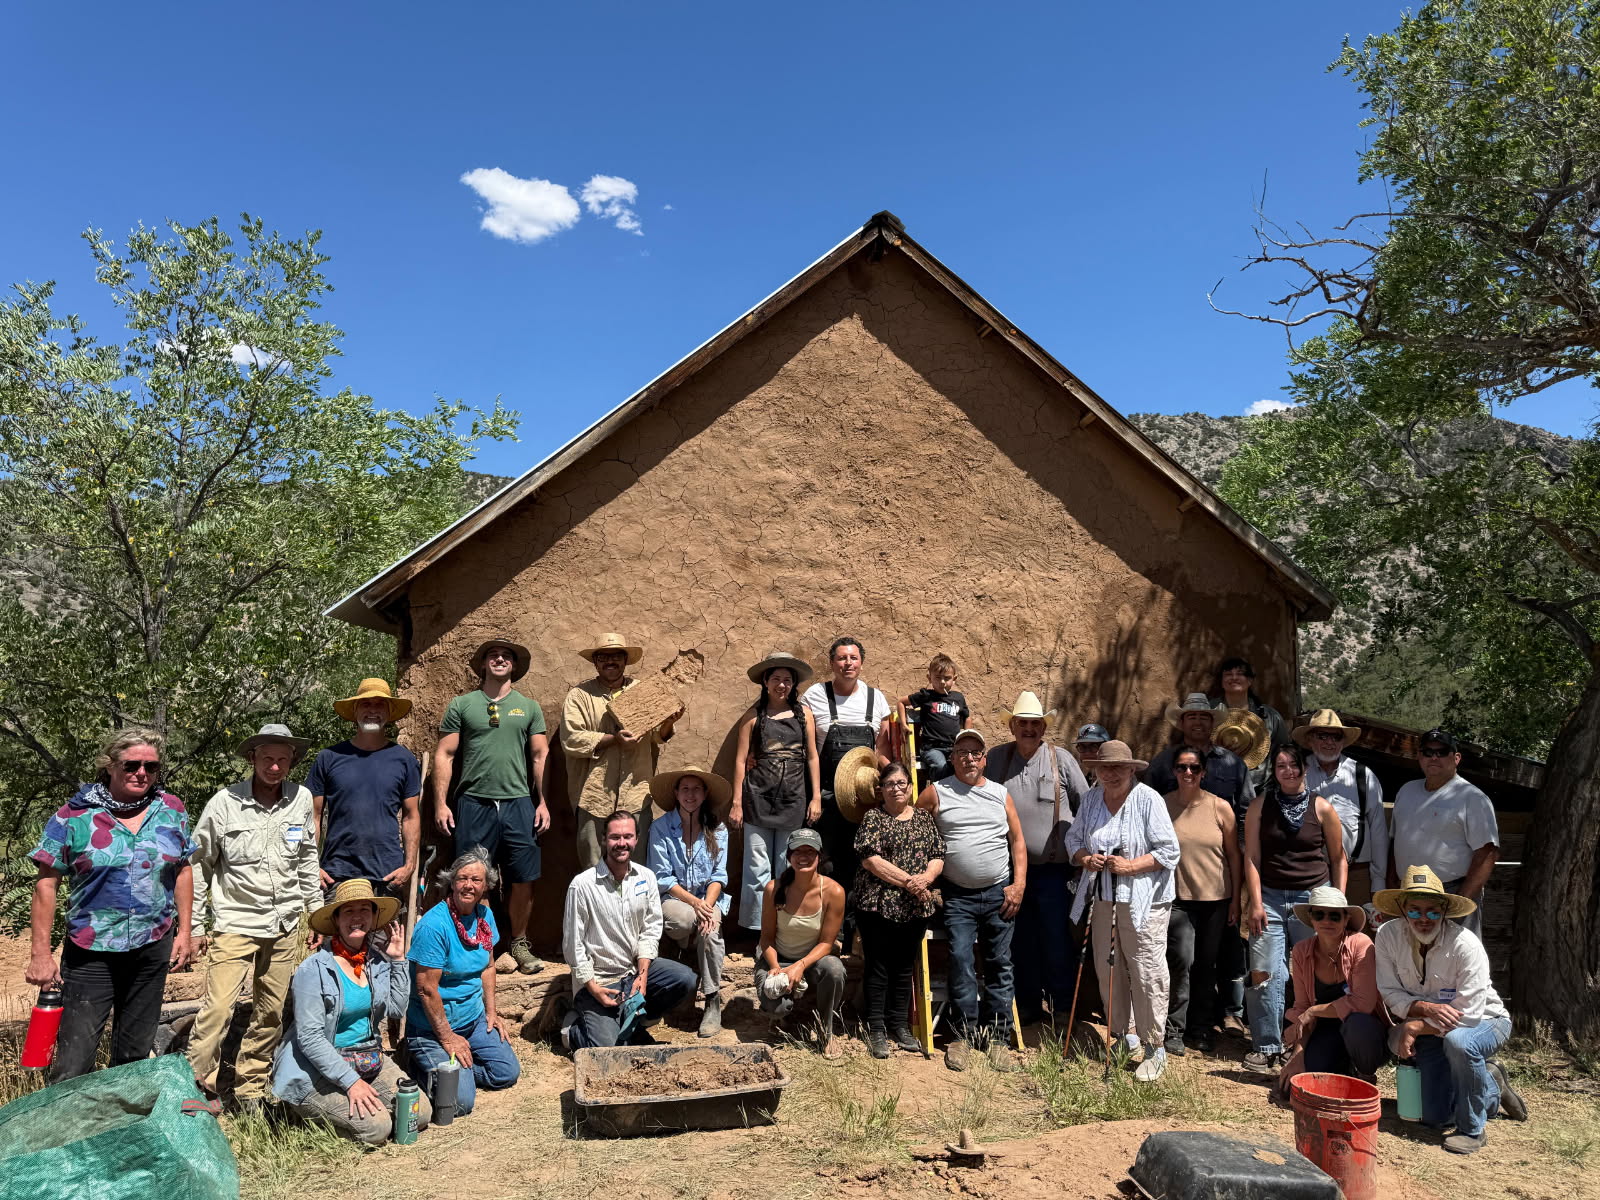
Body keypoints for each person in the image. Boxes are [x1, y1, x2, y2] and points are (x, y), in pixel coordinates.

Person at [25, 728, 197, 1083]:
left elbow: (182, 869)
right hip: (92, 950)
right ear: (110, 766)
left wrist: (186, 931)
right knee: (75, 1058)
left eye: (151, 767)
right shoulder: (73, 816)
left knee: (135, 1052)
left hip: (152, 945)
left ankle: (120, 1129)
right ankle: (69, 1132)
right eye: (131, 764)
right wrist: (40, 954)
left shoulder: (170, 809)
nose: (142, 773)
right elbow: (46, 883)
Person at [188, 724, 321, 1105]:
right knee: (217, 1009)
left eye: (282, 760)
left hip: (285, 923)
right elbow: (199, 865)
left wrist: (314, 911)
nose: (275, 767)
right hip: (235, 921)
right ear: (253, 759)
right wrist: (196, 925)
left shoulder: (301, 799)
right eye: (267, 759)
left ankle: (250, 1088)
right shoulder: (224, 803)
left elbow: (307, 859)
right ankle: (198, 1090)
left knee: (271, 1011)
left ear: (292, 761)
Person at [1375, 866, 1526, 1155]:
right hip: (1433, 1026)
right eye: (1415, 910)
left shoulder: (1466, 944)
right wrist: (1424, 1009)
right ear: (1402, 910)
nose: (1423, 919)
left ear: (1444, 912)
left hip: (1485, 1021)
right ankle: (1491, 1084)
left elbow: (1468, 1015)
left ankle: (1473, 1129)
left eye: (1432, 911)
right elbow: (1389, 991)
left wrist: (1416, 1025)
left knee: (1460, 1043)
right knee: (1435, 1118)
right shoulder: (1386, 935)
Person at [271, 880, 430, 1143]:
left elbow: (396, 1008)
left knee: (418, 1112)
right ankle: (304, 1113)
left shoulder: (376, 961)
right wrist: (351, 1083)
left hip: (366, 1059)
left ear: (374, 917)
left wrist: (399, 960)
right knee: (378, 1129)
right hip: (316, 1068)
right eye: (348, 911)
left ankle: (358, 1104)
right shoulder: (314, 970)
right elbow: (310, 1039)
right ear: (335, 920)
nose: (357, 918)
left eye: (364, 910)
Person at [433, 638, 550, 974]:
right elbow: (445, 753)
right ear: (482, 664)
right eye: (493, 655)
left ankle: (519, 944)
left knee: (523, 877)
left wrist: (542, 802)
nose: (500, 659)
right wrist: (441, 803)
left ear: (514, 666)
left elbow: (540, 755)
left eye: (507, 656)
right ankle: (483, 945)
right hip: (474, 802)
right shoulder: (462, 705)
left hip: (518, 803)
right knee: (474, 875)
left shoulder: (528, 708)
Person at [1065, 740, 1180, 1082]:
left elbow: (1169, 851)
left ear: (1132, 769)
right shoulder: (1090, 799)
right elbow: (1073, 840)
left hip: (1145, 902)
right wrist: (1086, 858)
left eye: (1118, 767)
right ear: (1096, 770)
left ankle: (1154, 1046)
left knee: (1145, 971)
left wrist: (1130, 866)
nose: (1110, 774)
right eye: (1104, 768)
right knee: (1109, 969)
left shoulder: (1148, 800)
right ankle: (1122, 1036)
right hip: (1103, 899)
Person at [918, 728, 1028, 1072]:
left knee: (1000, 963)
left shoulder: (1000, 794)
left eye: (976, 753)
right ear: (952, 758)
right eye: (962, 752)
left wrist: (1019, 884)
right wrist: (925, 880)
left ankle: (997, 1039)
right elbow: (915, 833)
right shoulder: (937, 792)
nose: (969, 758)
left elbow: (1018, 843)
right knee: (961, 959)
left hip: (999, 893)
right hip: (958, 896)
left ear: (984, 759)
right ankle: (962, 1036)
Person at [1145, 693, 1254, 1035]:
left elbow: (1246, 812)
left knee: (1216, 958)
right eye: (1191, 717)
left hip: (1217, 881)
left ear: (1213, 723)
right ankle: (1176, 1024)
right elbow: (1147, 810)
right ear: (1181, 723)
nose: (1197, 722)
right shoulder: (1162, 763)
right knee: (1181, 958)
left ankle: (1210, 1021)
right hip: (1176, 887)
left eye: (1204, 717)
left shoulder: (1233, 765)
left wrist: (1240, 889)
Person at [984, 691, 1089, 1027]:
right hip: (1011, 871)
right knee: (1020, 939)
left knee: (1057, 939)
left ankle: (1062, 1008)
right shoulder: (997, 758)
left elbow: (1086, 805)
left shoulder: (1062, 760)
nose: (1028, 729)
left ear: (1043, 727)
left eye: (1035, 724)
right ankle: (1027, 1005)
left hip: (1053, 872)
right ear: (1013, 726)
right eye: (1022, 723)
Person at [1241, 744, 1347, 1073]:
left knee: (1313, 972)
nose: (1288, 771)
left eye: (1294, 765)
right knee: (1264, 969)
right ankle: (1267, 1047)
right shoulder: (1261, 805)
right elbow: (1252, 857)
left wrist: (1336, 903)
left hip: (1312, 897)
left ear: (1305, 768)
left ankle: (1304, 1045)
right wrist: (1255, 902)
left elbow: (1338, 858)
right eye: (1281, 765)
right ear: (1274, 771)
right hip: (1270, 897)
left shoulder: (1323, 808)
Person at [563, 810, 697, 1048]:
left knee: (683, 979)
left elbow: (651, 929)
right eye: (615, 837)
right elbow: (573, 945)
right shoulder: (582, 886)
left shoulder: (646, 878)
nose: (621, 843)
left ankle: (634, 1020)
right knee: (607, 1052)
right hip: (599, 981)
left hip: (633, 974)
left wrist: (642, 976)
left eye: (628, 836)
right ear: (604, 839)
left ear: (636, 839)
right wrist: (593, 988)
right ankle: (572, 1030)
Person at [402, 849, 522, 1114]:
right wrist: (448, 1038)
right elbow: (426, 989)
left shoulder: (484, 916)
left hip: (472, 1019)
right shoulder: (435, 926)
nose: (469, 885)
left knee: (507, 1073)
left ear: (486, 885)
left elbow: (489, 966)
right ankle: (421, 1065)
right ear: (451, 882)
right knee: (459, 1103)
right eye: (462, 878)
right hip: (432, 1030)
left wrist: (491, 1011)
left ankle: (457, 1075)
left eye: (476, 880)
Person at [562, 633, 682, 871]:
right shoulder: (580, 696)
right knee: (593, 867)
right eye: (604, 656)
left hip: (635, 795)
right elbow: (572, 739)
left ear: (625, 661)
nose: (610, 661)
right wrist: (613, 739)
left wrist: (669, 721)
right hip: (593, 796)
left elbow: (658, 735)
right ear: (595, 662)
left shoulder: (643, 692)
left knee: (635, 867)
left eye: (617, 656)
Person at [852, 762, 945, 1058]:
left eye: (901, 782)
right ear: (881, 790)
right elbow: (871, 860)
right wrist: (910, 881)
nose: (896, 788)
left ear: (910, 786)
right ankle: (876, 1028)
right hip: (877, 902)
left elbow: (937, 854)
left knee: (904, 967)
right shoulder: (873, 818)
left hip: (914, 905)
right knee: (878, 966)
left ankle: (899, 1025)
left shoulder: (923, 818)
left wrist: (927, 879)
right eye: (890, 784)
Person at [800, 637, 892, 926]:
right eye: (841, 658)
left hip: (863, 799)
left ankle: (855, 932)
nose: (848, 663)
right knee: (826, 863)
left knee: (861, 863)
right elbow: (809, 749)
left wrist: (894, 785)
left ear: (861, 663)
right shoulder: (814, 696)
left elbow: (882, 752)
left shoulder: (876, 699)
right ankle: (829, 932)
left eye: (853, 658)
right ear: (831, 663)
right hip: (826, 796)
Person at [729, 652, 822, 932]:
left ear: (794, 685)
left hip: (794, 800)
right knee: (757, 870)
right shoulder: (752, 717)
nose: (782, 685)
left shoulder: (804, 715)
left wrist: (816, 797)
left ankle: (784, 929)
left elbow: (812, 757)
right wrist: (737, 803)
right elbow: (740, 760)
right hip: (757, 799)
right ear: (766, 682)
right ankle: (759, 931)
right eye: (776, 679)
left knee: (787, 868)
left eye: (787, 680)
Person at [308, 678, 421, 907]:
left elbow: (411, 815)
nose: (372, 710)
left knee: (386, 942)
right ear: (355, 710)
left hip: (388, 875)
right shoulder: (329, 758)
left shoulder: (404, 760)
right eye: (366, 704)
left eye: (380, 705)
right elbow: (313, 816)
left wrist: (409, 865)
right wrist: (310, 865)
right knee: (336, 943)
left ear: (389, 712)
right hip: (336, 873)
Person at [1162, 746, 1242, 1055]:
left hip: (1216, 900)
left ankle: (1201, 1028)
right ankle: (1174, 1029)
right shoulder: (1164, 805)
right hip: (1178, 899)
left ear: (1204, 772)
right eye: (1182, 767)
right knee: (1181, 961)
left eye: (1194, 768)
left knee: (1207, 966)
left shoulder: (1220, 808)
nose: (1188, 773)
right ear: (1174, 771)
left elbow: (1234, 856)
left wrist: (1236, 900)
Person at [1275, 885, 1386, 1098]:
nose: (1327, 921)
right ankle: (1341, 1069)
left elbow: (1363, 1003)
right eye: (1319, 914)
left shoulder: (1361, 944)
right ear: (1311, 919)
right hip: (1325, 1030)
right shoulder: (1301, 950)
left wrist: (1315, 1011)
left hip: (1366, 1031)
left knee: (1357, 1024)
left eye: (1335, 916)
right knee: (1302, 1084)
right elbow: (1302, 1009)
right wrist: (1297, 1055)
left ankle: (1365, 1076)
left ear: (1346, 919)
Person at [646, 767, 732, 1037]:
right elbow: (662, 878)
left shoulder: (718, 829)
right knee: (685, 919)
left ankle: (712, 1000)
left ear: (705, 794)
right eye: (685, 789)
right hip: (675, 899)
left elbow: (719, 875)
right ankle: (683, 946)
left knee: (711, 930)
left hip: (708, 899)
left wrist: (707, 906)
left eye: (696, 789)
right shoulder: (660, 827)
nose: (690, 795)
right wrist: (698, 905)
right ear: (676, 793)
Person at [1388, 729, 1498, 938]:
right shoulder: (1406, 791)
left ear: (1456, 758)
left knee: (1457, 959)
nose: (1434, 757)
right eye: (1428, 752)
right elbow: (1395, 841)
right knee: (1412, 959)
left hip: (1452, 892)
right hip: (1410, 893)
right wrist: (1392, 886)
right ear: (1419, 757)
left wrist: (1461, 901)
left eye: (1442, 751)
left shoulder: (1472, 798)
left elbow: (1488, 854)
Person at [755, 828, 848, 1059]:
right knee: (775, 1006)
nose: (803, 857)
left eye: (810, 851)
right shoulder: (774, 888)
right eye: (797, 851)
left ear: (820, 856)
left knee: (835, 970)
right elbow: (766, 938)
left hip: (811, 961)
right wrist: (776, 966)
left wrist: (800, 966)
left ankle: (826, 1031)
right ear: (788, 856)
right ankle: (782, 1018)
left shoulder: (834, 892)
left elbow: (827, 943)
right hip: (778, 958)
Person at [1296, 711, 1389, 903]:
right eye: (1323, 735)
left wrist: (1378, 883)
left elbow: (1378, 830)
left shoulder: (1363, 775)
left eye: (1336, 736)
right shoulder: (1298, 773)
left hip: (1358, 874)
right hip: (1310, 875)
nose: (1330, 742)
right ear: (1310, 739)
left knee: (1357, 932)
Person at [1207, 657, 1291, 792]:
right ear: (1221, 682)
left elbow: (1284, 751)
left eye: (1240, 674)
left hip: (1260, 791)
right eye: (1228, 674)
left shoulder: (1269, 716)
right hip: (1216, 789)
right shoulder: (1207, 713)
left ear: (1250, 681)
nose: (1234, 678)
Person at [903, 653, 970, 782]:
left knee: (963, 765)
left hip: (953, 747)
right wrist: (903, 724)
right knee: (940, 766)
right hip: (932, 748)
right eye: (938, 678)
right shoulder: (926, 696)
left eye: (947, 678)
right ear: (930, 678)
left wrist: (966, 737)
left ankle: (957, 797)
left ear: (954, 679)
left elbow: (967, 718)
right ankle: (939, 795)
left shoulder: (958, 698)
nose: (942, 682)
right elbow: (901, 702)